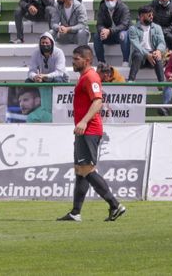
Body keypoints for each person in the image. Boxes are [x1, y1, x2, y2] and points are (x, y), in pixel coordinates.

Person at [57, 46, 125, 223]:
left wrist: (84, 121)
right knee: (80, 170)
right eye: (73, 58)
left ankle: (114, 204)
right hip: (84, 131)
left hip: (89, 130)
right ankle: (75, 212)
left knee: (87, 169)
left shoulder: (91, 77)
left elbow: (98, 101)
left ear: (87, 60)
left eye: (77, 58)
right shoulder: (84, 77)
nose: (73, 61)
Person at [128, 5, 167, 82]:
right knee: (137, 54)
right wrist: (147, 54)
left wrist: (158, 51)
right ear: (141, 16)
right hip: (140, 57)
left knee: (157, 57)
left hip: (152, 55)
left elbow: (162, 42)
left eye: (152, 15)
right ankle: (131, 80)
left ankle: (161, 83)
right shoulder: (133, 29)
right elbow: (136, 46)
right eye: (149, 15)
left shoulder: (157, 27)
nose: (152, 17)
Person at [92, 0, 131, 65]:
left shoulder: (123, 8)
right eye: (107, 0)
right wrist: (103, 30)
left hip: (120, 34)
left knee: (123, 34)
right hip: (108, 35)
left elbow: (124, 25)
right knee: (97, 36)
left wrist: (109, 31)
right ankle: (101, 62)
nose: (109, 2)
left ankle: (126, 61)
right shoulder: (102, 7)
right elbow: (99, 24)